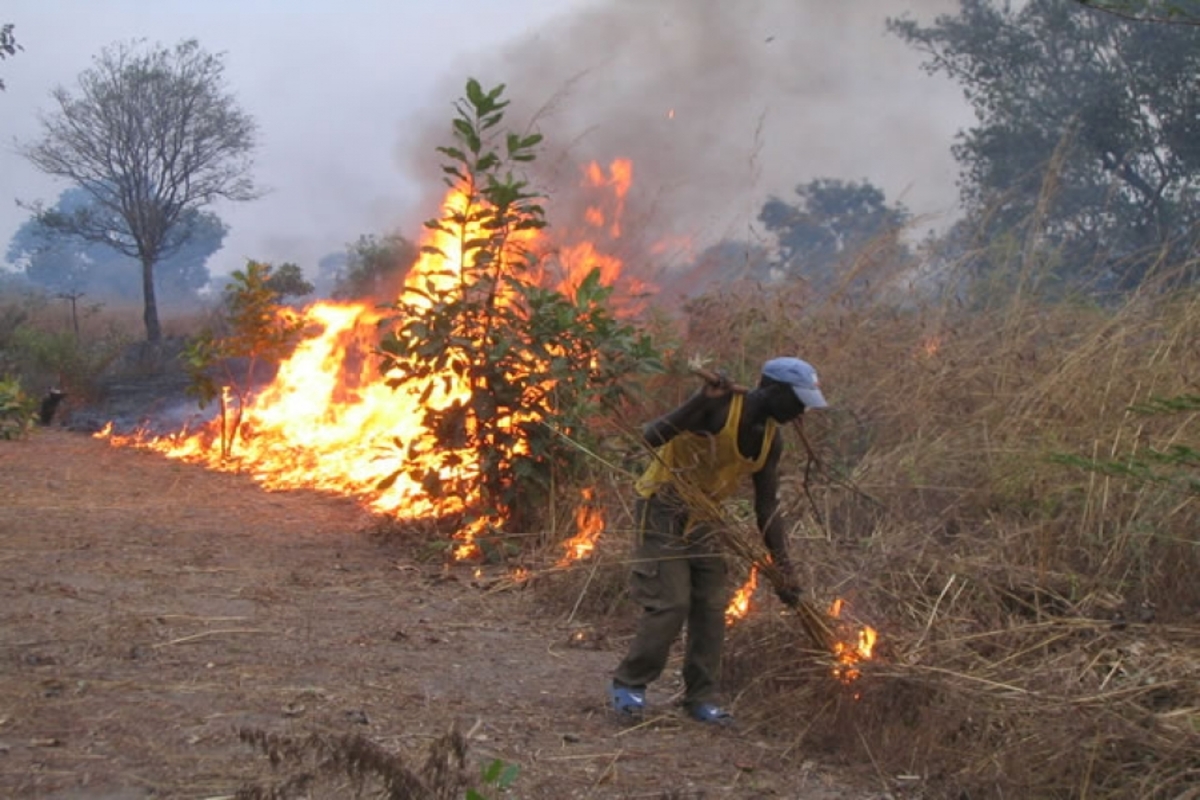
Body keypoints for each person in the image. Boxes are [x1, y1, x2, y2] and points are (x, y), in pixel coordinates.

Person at [608, 356, 828, 724]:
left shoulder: (771, 440)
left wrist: (783, 568)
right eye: (798, 399)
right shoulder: (718, 407)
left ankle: (701, 697)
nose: (802, 409)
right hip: (663, 501)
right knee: (671, 602)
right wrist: (700, 400)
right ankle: (630, 684)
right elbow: (651, 437)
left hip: (706, 513)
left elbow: (767, 506)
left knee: (711, 604)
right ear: (773, 391)